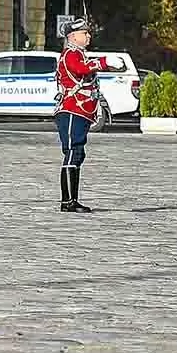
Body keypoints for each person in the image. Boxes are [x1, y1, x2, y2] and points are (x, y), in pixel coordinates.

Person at [53, 17, 125, 213]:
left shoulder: (80, 54)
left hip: (81, 111)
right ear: (72, 36)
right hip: (71, 110)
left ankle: (72, 199)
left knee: (78, 153)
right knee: (72, 152)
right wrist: (104, 62)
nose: (88, 36)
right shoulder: (70, 55)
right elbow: (80, 69)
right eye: (84, 33)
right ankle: (67, 201)